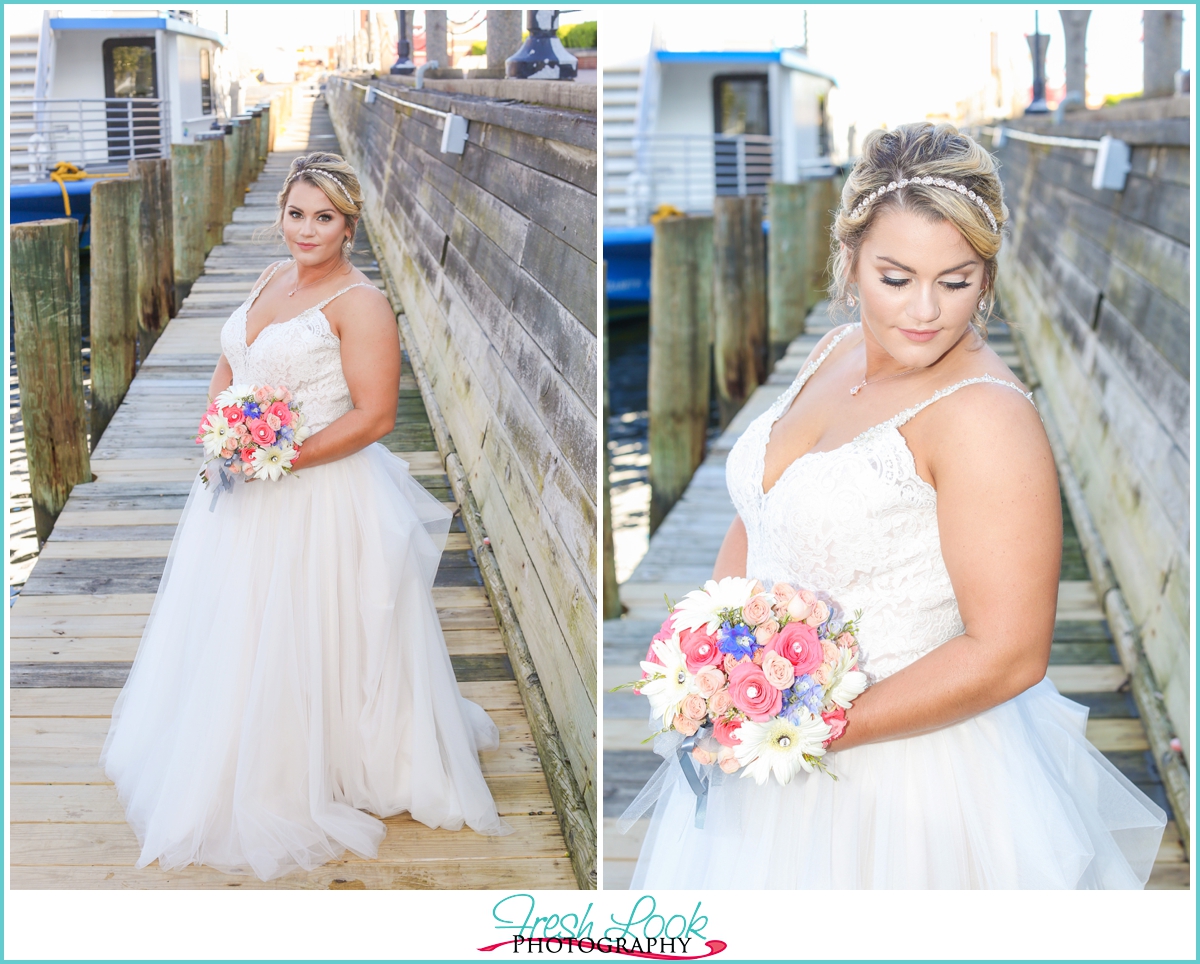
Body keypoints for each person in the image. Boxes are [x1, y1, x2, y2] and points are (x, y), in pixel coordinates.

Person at [627, 124, 1166, 889]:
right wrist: (705, 649)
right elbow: (763, 515)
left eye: (957, 281)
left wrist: (801, 728)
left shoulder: (985, 418)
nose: (926, 311)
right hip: (767, 737)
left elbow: (1010, 652)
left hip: (904, 779)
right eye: (896, 276)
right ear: (848, 259)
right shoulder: (832, 350)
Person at [101, 152, 510, 882]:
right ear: (281, 215)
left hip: (317, 491)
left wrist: (281, 458)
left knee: (317, 625)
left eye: (324, 218)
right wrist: (221, 431)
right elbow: (236, 362)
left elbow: (377, 415)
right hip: (239, 486)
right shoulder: (270, 278)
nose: (307, 229)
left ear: (349, 225)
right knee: (242, 624)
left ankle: (329, 761)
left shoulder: (361, 304)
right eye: (297, 214)